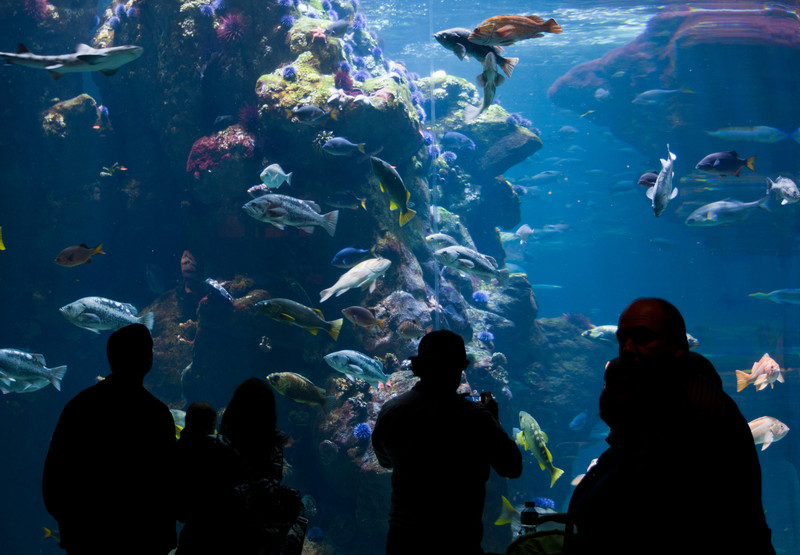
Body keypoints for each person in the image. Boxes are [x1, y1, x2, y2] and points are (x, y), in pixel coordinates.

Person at [566, 298, 775, 555]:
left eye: (643, 337)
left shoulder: (690, 412)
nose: (628, 349)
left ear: (677, 346)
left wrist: (622, 426)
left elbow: (629, 509)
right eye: (623, 339)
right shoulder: (666, 398)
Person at [371, 329, 523, 554]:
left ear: (418, 368)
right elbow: (512, 467)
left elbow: (386, 462)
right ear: (460, 369)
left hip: (404, 540)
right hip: (458, 540)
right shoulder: (476, 417)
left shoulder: (391, 411)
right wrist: (494, 420)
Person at [42, 323, 176, 555]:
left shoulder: (79, 407)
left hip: (87, 539)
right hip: (144, 540)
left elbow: (54, 478)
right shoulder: (156, 414)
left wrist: (72, 526)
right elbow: (168, 482)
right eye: (149, 349)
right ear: (147, 359)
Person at [219, 377, 305, 554]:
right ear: (270, 411)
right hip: (261, 535)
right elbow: (274, 480)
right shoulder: (275, 446)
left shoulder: (222, 443)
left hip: (225, 529)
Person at [175, 402, 250, 554]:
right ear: (212, 424)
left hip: (191, 528)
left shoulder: (179, 449)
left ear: (188, 422)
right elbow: (243, 480)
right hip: (223, 528)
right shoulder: (223, 447)